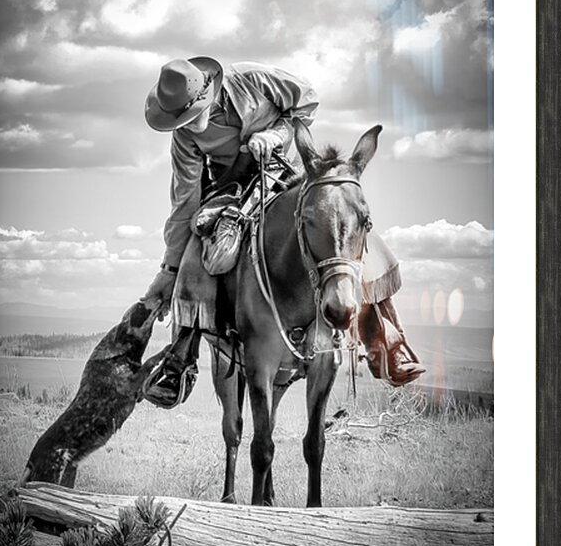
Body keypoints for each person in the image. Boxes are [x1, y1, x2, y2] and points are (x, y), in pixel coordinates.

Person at [140, 57, 424, 404]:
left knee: (348, 227)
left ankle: (387, 344)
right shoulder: (183, 138)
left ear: (207, 94)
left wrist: (273, 135)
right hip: (230, 190)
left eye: (193, 115)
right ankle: (180, 359)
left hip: (290, 173)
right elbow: (185, 200)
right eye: (182, 121)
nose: (191, 126)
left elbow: (308, 101)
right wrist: (168, 270)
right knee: (196, 258)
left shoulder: (252, 79)